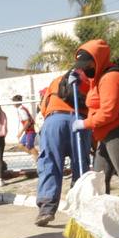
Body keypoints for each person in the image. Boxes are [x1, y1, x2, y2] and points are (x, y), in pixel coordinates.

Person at [69, 40, 119, 203]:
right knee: (99, 180)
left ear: (98, 60)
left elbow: (108, 113)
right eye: (81, 65)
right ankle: (104, 218)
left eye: (87, 64)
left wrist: (85, 123)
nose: (84, 68)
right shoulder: (97, 77)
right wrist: (78, 81)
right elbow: (94, 97)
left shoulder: (111, 77)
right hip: (107, 134)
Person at [33, 68, 91, 226]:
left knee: (49, 162)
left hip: (54, 120)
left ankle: (47, 208)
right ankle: (80, 207)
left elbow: (44, 107)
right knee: (81, 165)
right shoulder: (90, 82)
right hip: (80, 122)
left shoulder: (57, 80)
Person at [11, 95, 38, 160]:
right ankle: (36, 156)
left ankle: (38, 158)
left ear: (16, 102)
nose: (12, 103)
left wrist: (20, 132)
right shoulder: (21, 109)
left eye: (13, 102)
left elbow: (27, 122)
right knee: (20, 145)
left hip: (30, 130)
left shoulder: (21, 110)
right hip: (27, 131)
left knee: (30, 146)